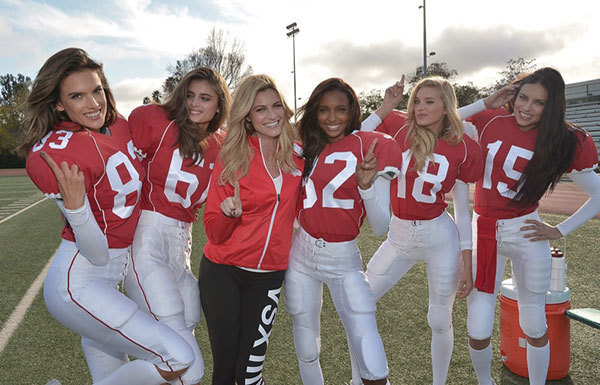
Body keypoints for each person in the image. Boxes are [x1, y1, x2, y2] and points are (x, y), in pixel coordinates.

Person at [18, 48, 194, 385]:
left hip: (110, 281)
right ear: (58, 104)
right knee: (177, 358)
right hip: (80, 283)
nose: (93, 103)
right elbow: (96, 253)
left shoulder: (119, 126)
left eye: (96, 90)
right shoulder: (55, 153)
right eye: (77, 96)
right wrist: (75, 208)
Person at [465, 67, 600, 385]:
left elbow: (598, 194)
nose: (526, 107)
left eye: (538, 102)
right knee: (478, 328)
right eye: (523, 97)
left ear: (552, 106)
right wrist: (485, 102)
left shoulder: (567, 140)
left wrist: (560, 229)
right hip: (484, 228)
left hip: (527, 230)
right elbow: (442, 119)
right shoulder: (491, 120)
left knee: (535, 324)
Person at [353, 76, 485, 385]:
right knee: (358, 304)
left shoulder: (463, 146)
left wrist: (468, 257)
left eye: (429, 101)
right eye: (417, 101)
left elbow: (463, 208)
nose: (420, 107)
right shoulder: (398, 131)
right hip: (398, 236)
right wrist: (387, 105)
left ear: (446, 106)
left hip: (440, 237)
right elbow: (356, 136)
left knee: (439, 319)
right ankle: (359, 380)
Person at [284, 78, 402, 385]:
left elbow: (380, 226)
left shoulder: (373, 146)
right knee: (307, 348)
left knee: (373, 363)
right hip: (302, 253)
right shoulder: (305, 143)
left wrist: (366, 187)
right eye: (323, 109)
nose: (332, 117)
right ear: (314, 112)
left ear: (352, 112)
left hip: (343, 258)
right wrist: (386, 106)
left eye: (341, 110)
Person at [124, 67, 232, 385]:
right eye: (189, 95)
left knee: (188, 318)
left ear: (218, 106)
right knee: (188, 365)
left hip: (182, 242)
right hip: (148, 236)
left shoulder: (221, 144)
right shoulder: (155, 120)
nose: (195, 104)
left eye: (205, 98)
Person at [199, 74, 304, 384]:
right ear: (247, 116)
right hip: (222, 272)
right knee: (225, 370)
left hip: (268, 276)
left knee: (249, 373)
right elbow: (214, 233)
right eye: (260, 109)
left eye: (275, 106)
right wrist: (229, 215)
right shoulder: (232, 157)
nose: (270, 115)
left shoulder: (298, 156)